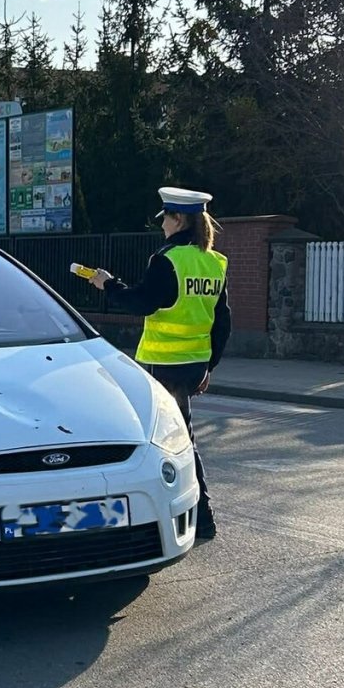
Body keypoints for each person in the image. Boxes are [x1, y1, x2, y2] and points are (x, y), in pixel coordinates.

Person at [89, 187, 231, 541]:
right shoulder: (215, 262)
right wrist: (209, 366)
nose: (162, 226)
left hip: (162, 364)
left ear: (178, 218)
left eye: (165, 219)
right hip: (195, 363)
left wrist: (109, 286)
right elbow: (222, 321)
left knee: (168, 441)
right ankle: (197, 518)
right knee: (179, 435)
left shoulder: (167, 259)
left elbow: (141, 303)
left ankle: (197, 518)